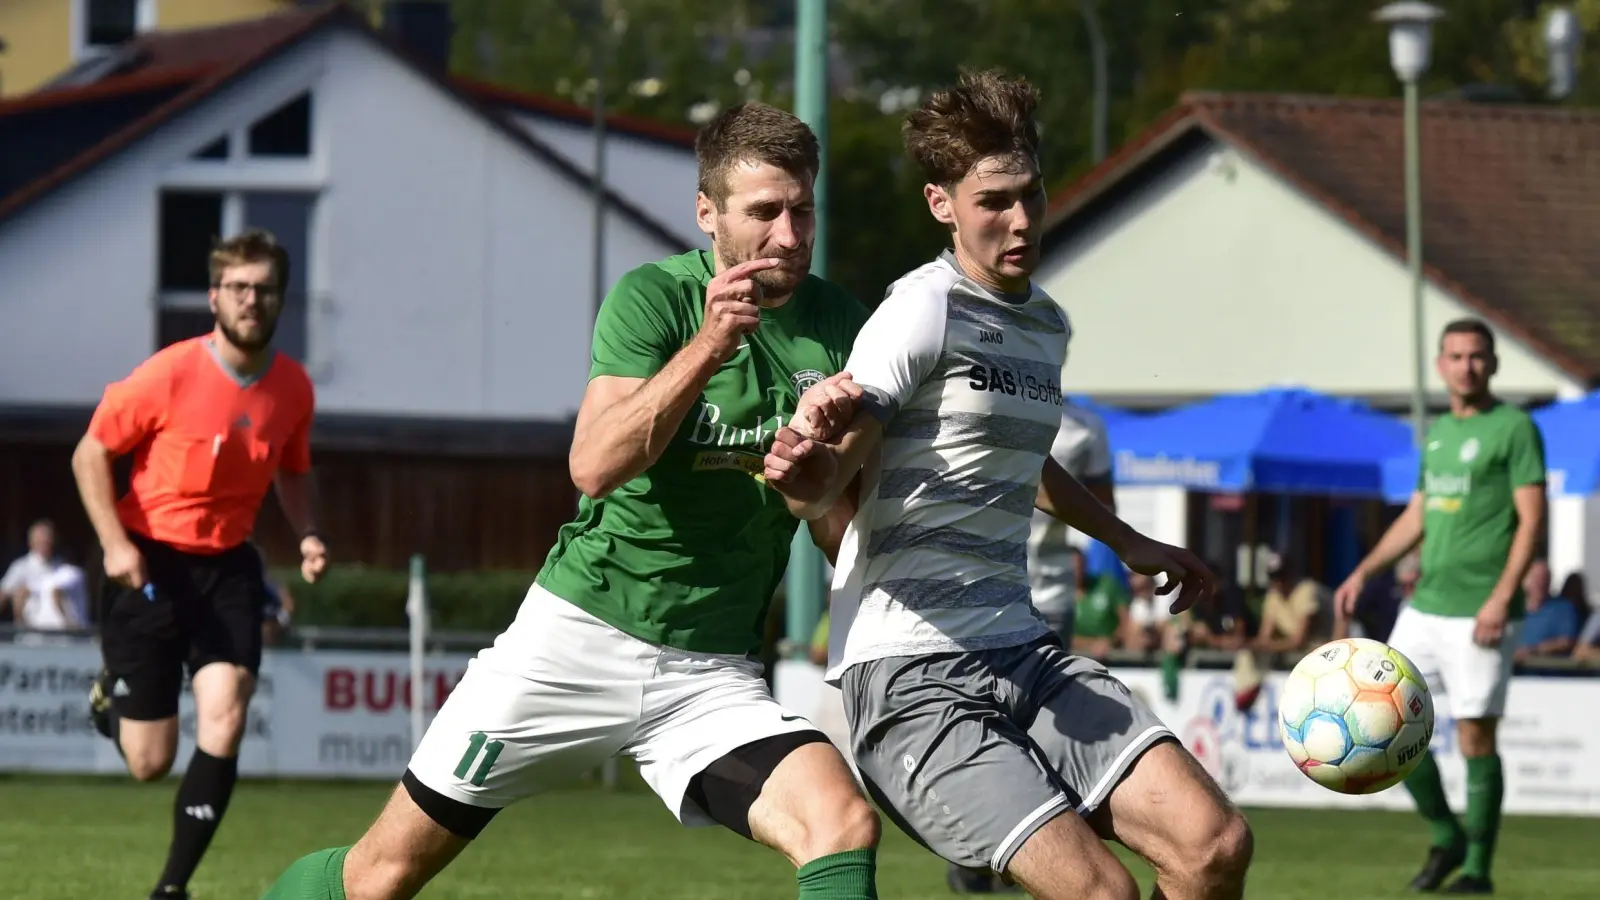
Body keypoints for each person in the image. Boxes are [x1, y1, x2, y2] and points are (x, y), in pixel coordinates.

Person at [261, 101, 882, 900]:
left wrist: (815, 482)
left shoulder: (845, 328)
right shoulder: (654, 300)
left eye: (803, 211)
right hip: (575, 639)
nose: (789, 236)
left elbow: (837, 523)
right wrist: (709, 346)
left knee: (840, 825)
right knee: (379, 876)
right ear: (707, 213)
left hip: (711, 671)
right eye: (764, 213)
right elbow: (592, 465)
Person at [763, 70, 1253, 900]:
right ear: (941, 204)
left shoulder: (1045, 324)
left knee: (1213, 846)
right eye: (993, 201)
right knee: (1103, 892)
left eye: (1031, 195)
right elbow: (836, 466)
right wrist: (808, 473)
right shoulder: (921, 310)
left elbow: (1021, 458)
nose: (1020, 219)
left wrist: (1127, 540)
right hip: (911, 674)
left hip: (1020, 649)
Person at [74, 229, 328, 900]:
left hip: (229, 567)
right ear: (215, 296)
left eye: (265, 289)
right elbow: (90, 453)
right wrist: (113, 543)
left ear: (281, 298)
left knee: (228, 714)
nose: (252, 300)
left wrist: (308, 534)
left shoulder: (294, 387)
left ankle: (172, 888)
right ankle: (112, 695)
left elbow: (294, 472)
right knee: (149, 763)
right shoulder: (170, 372)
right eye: (239, 288)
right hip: (150, 561)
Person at [1335, 317, 1546, 895]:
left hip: (1482, 609)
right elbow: (1418, 515)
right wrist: (1364, 569)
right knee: (1380, 722)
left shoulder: (1516, 428)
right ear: (1440, 365)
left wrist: (1502, 598)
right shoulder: (1436, 436)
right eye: (1455, 356)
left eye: (1477, 356)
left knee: (1476, 737)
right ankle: (1445, 832)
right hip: (1425, 605)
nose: (1466, 366)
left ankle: (1477, 869)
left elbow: (1532, 520)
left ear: (1494, 363)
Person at [947, 398, 1118, 894]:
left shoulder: (1088, 428)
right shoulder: (981, 399)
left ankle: (1030, 852)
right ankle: (979, 850)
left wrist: (1094, 551)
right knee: (984, 726)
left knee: (1039, 730)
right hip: (982, 591)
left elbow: (1105, 504)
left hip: (1051, 591)